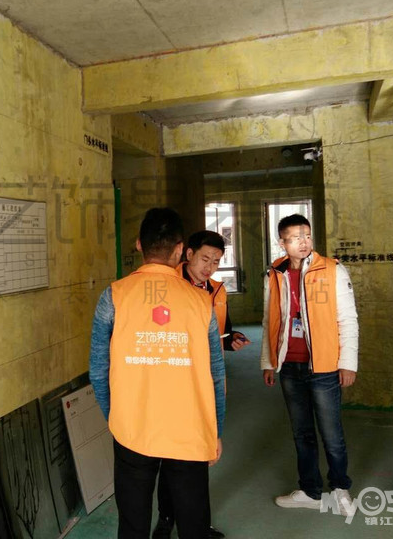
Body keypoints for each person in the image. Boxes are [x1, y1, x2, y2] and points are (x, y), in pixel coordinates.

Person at [90, 208, 227, 539]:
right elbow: (216, 374)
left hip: (132, 427)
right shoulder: (201, 302)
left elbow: (98, 370)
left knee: (133, 523)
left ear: (139, 244)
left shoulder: (114, 296)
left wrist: (115, 417)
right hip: (190, 428)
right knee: (193, 523)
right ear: (180, 250)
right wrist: (215, 430)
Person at [153, 230, 249, 539]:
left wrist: (231, 340)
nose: (210, 267)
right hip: (174, 381)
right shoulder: (167, 285)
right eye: (205, 259)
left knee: (201, 455)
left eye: (216, 262)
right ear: (188, 254)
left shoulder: (217, 290)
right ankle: (166, 518)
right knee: (170, 456)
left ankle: (198, 525)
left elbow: (222, 332)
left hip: (206, 382)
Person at [261, 214, 358, 515]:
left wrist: (348, 362)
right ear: (282, 243)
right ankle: (310, 490)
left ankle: (340, 490)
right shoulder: (275, 273)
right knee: (302, 433)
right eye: (295, 238)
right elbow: (269, 320)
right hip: (290, 365)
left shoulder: (331, 269)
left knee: (331, 433)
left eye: (306, 235)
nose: (303, 242)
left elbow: (348, 319)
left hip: (324, 366)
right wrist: (268, 362)